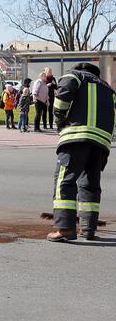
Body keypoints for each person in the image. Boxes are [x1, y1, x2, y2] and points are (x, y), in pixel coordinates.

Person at [48, 62, 115, 242]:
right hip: (101, 143)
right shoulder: (108, 89)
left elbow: (62, 97)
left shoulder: (74, 76)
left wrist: (59, 121)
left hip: (76, 137)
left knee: (64, 181)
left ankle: (65, 229)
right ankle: (88, 229)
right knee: (90, 185)